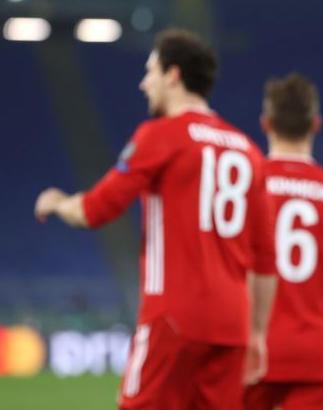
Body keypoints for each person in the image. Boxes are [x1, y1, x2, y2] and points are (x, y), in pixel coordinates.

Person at [34, 28, 277, 410]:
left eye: (150, 71)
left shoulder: (161, 136)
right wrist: (258, 333)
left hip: (173, 320)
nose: (143, 83)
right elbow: (265, 260)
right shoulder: (248, 150)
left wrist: (58, 202)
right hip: (232, 328)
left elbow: (96, 210)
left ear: (173, 75)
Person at [243, 72, 323, 410]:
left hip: (251, 348)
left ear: (266, 124)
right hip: (314, 352)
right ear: (316, 124)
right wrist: (320, 326)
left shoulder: (247, 185)